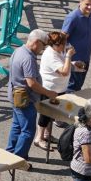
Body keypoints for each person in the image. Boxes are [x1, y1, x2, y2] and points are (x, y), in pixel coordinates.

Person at [6, 29, 62, 159]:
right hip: (25, 100)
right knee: (28, 131)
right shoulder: (28, 58)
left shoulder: (18, 50)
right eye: (44, 45)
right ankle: (20, 159)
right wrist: (49, 93)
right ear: (36, 42)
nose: (43, 49)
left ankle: (9, 153)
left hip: (15, 96)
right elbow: (32, 83)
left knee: (17, 126)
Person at [36, 31, 75, 150]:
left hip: (58, 88)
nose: (65, 46)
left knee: (52, 114)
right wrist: (69, 56)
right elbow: (64, 72)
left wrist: (73, 64)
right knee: (45, 114)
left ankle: (47, 135)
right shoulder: (50, 55)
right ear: (56, 44)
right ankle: (39, 138)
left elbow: (63, 64)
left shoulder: (58, 51)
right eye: (63, 44)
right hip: (50, 89)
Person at [62, 0, 91, 92]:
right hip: (74, 61)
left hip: (85, 59)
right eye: (87, 4)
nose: (90, 7)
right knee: (72, 88)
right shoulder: (72, 18)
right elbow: (62, 39)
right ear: (80, 2)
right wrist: (67, 58)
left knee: (77, 87)